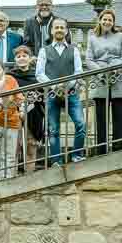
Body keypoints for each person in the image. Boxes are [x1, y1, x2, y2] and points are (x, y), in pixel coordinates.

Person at [36, 18, 86, 165]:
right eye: (56, 27)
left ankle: (76, 154)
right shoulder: (44, 50)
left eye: (62, 27)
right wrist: (54, 86)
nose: (59, 30)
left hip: (71, 93)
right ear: (52, 31)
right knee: (53, 129)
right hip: (52, 94)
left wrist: (66, 85)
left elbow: (78, 71)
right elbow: (39, 73)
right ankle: (56, 160)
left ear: (66, 30)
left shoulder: (74, 49)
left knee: (81, 124)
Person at [84, 7, 122, 155]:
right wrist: (101, 72)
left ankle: (118, 149)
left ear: (113, 22)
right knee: (101, 118)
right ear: (100, 20)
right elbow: (89, 59)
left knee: (119, 117)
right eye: (105, 19)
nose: (107, 22)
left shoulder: (121, 36)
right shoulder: (92, 38)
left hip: (119, 78)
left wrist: (115, 68)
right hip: (100, 80)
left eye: (110, 20)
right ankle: (101, 150)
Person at [9, 46, 45, 173]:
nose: (22, 58)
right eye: (19, 56)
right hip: (15, 114)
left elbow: (44, 96)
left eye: (24, 56)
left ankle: (29, 175)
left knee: (31, 147)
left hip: (33, 115)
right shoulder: (10, 76)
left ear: (29, 58)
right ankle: (12, 176)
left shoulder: (37, 76)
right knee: (14, 148)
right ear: (15, 59)